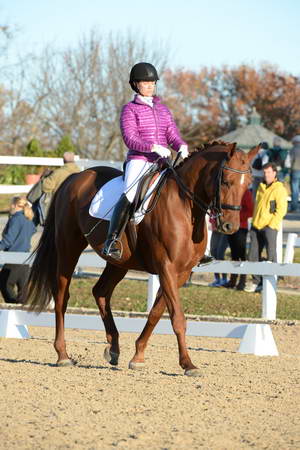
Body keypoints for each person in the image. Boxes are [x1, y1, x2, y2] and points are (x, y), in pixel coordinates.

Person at [101, 62, 189, 259]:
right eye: (145, 82)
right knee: (130, 193)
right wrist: (152, 147)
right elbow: (129, 137)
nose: (150, 85)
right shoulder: (129, 109)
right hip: (140, 159)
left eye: (152, 82)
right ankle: (112, 240)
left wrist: (181, 145)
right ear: (135, 85)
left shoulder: (164, 110)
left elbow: (172, 134)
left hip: (162, 161)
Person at [245, 162, 288, 293]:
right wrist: (253, 221)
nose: (266, 175)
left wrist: (272, 224)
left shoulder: (279, 189)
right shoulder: (260, 187)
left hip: (269, 226)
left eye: (269, 172)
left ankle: (271, 281)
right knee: (252, 255)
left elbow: (281, 210)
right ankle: (256, 281)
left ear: (275, 173)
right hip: (256, 225)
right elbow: (257, 206)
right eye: (264, 173)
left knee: (271, 254)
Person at [0, 196, 36, 304]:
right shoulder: (28, 219)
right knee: (23, 291)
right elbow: (33, 230)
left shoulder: (15, 219)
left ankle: (14, 307)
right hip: (25, 259)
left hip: (14, 258)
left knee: (4, 284)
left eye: (11, 204)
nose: (10, 207)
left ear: (15, 205)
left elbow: (8, 240)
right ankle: (22, 315)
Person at [224, 189, 254, 290]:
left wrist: (236, 217)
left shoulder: (246, 193)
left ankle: (242, 281)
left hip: (241, 227)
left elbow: (250, 210)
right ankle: (233, 280)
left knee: (241, 254)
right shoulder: (231, 191)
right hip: (231, 227)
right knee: (234, 254)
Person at [208, 218, 228, 287]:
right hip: (215, 231)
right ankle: (217, 279)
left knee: (220, 254)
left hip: (223, 231)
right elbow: (211, 218)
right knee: (213, 254)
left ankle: (224, 279)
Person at [289, 135, 300, 212]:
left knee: (295, 189)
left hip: (295, 170)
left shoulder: (293, 150)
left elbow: (289, 162)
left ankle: (294, 207)